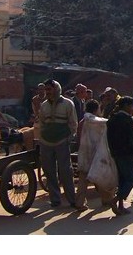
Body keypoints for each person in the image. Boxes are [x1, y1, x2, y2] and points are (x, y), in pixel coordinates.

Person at [38, 79, 78, 209]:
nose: (47, 92)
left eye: (49, 89)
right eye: (46, 90)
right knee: (49, 171)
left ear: (56, 89)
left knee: (66, 171)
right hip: (46, 141)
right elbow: (42, 123)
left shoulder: (68, 104)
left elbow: (73, 123)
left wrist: (70, 137)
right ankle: (55, 199)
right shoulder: (44, 105)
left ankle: (72, 199)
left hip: (62, 141)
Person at [74, 99, 114, 211]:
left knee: (83, 179)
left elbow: (78, 138)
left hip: (84, 152)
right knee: (100, 177)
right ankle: (107, 199)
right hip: (98, 153)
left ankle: (79, 202)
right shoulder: (101, 122)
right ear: (97, 109)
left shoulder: (82, 122)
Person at [106, 96, 133, 215]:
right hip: (126, 153)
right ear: (125, 106)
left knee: (122, 179)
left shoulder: (112, 119)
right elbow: (132, 138)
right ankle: (114, 200)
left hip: (115, 153)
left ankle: (120, 205)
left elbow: (108, 138)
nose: (132, 109)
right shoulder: (127, 119)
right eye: (131, 106)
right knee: (132, 177)